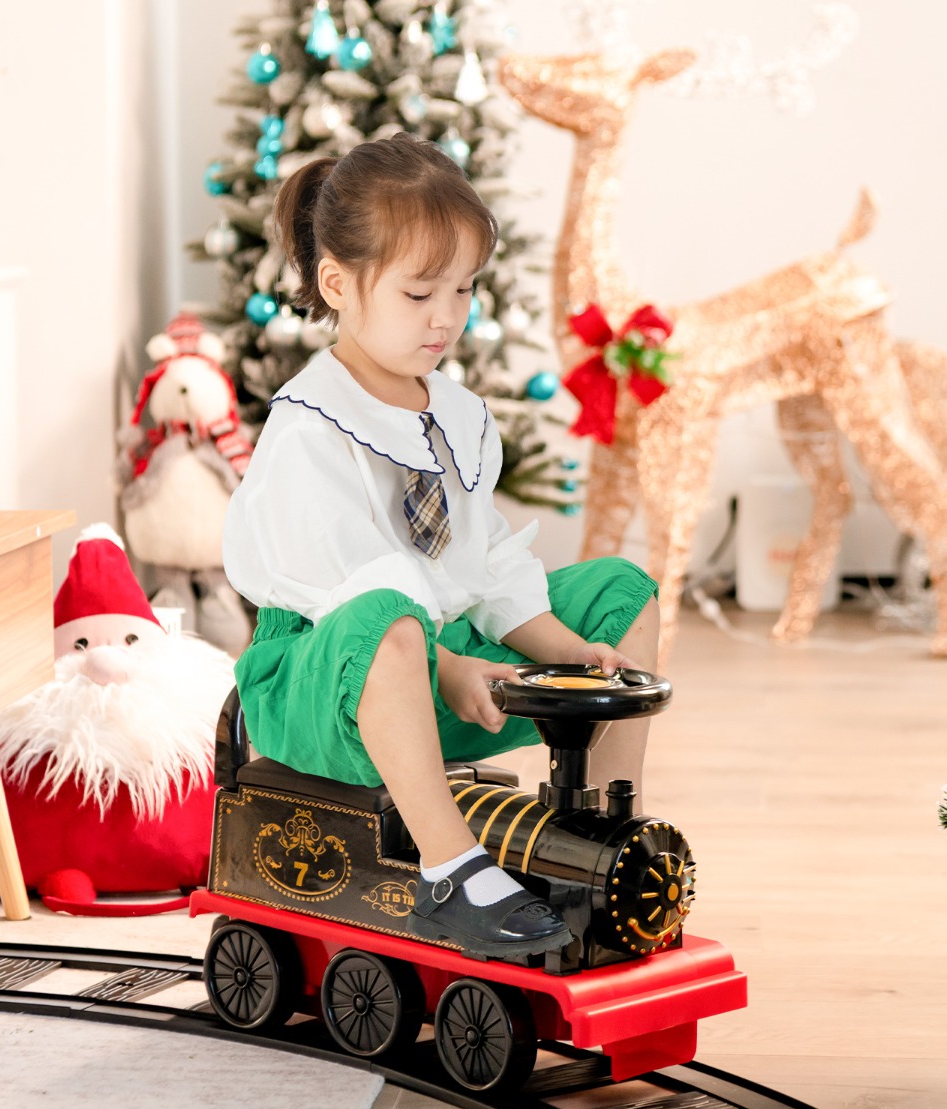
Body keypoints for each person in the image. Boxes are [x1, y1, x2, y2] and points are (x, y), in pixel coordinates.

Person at [222, 133, 659, 961]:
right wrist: (447, 671)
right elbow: (348, 593)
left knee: (622, 591)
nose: (447, 317)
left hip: (448, 665)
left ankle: (596, 840)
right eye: (420, 292)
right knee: (388, 615)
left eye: (462, 289)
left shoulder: (457, 415)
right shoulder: (309, 426)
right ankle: (451, 870)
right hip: (327, 678)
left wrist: (564, 652)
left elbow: (486, 561)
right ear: (338, 285)